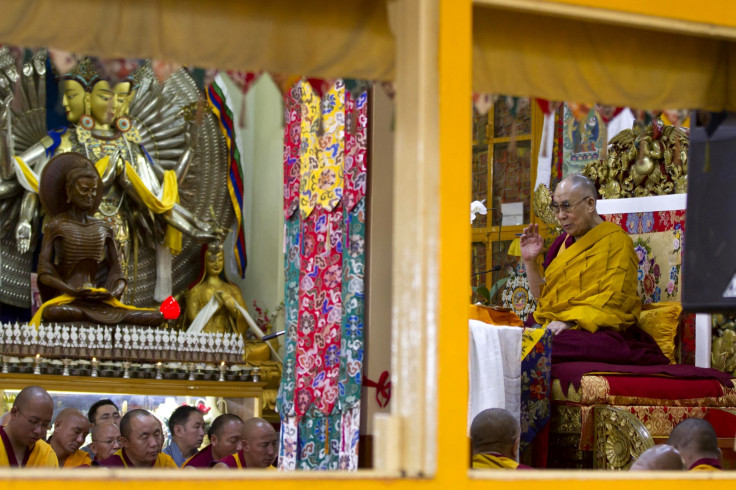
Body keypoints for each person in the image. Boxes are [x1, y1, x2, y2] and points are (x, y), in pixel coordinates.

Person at [31, 152, 164, 326]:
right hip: (68, 299)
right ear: (68, 190)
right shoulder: (56, 225)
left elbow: (117, 271)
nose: (90, 196)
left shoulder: (103, 228)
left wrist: (111, 292)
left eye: (94, 191)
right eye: (84, 190)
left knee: (155, 316)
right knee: (54, 312)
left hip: (99, 300)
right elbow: (45, 273)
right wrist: (70, 290)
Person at [521, 174, 641, 335]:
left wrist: (573, 321)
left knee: (547, 347)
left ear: (590, 204)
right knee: (515, 340)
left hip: (595, 329)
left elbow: (616, 301)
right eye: (556, 207)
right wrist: (530, 262)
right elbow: (544, 300)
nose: (560, 215)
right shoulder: (562, 243)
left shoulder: (617, 243)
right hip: (555, 325)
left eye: (566, 206)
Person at [186, 241, 248, 335]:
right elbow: (192, 317)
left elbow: (245, 318)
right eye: (212, 260)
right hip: (203, 338)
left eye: (220, 259)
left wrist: (232, 308)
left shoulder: (232, 290)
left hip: (226, 338)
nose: (217, 264)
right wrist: (213, 307)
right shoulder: (196, 290)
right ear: (205, 262)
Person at [95, 409, 177, 468]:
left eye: (156, 435)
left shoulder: (164, 462)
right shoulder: (109, 468)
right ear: (124, 442)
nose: (154, 443)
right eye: (144, 437)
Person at [0, 386, 58, 467]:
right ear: (14, 413)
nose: (38, 431)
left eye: (45, 424)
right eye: (33, 421)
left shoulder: (46, 454)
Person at [213, 417, 277, 469]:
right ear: (245, 445)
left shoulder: (275, 474)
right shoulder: (225, 470)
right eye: (264, 445)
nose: (271, 452)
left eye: (274, 444)